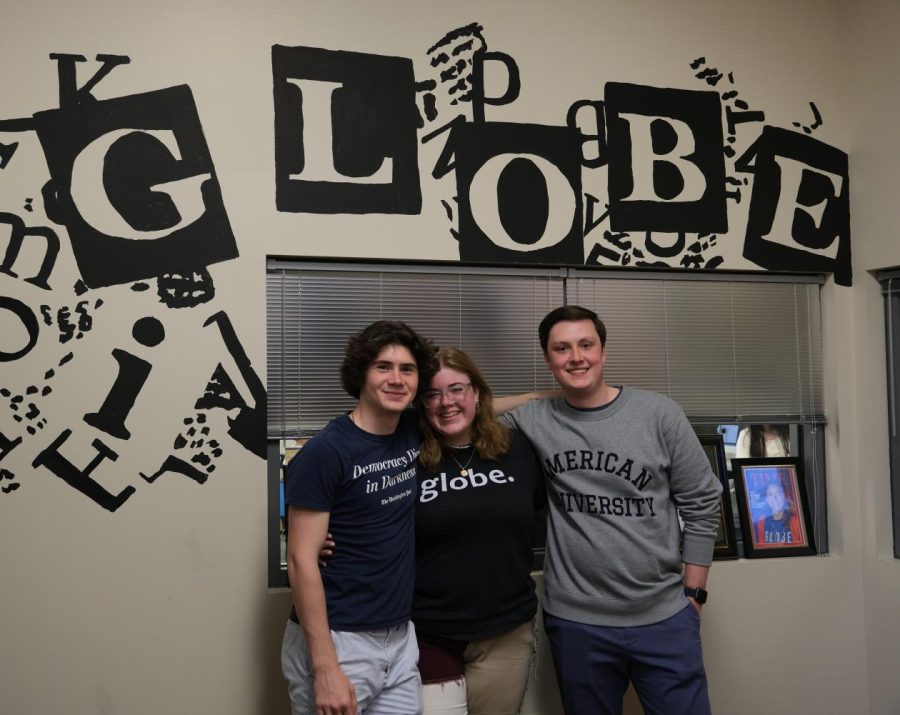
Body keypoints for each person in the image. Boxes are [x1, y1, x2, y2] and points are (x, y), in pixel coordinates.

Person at [502, 305, 723, 715]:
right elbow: (461, 411)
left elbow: (702, 502)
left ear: (604, 352)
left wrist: (694, 592)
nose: (576, 357)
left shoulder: (659, 414)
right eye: (562, 349)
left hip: (664, 615)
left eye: (586, 345)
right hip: (576, 621)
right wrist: (535, 395)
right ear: (548, 360)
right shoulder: (534, 418)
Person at [281, 320, 437, 715]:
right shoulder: (326, 452)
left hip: (400, 638)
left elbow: (472, 407)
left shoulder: (410, 431)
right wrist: (326, 668)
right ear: (361, 374)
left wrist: (548, 397)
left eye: (408, 369)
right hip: (339, 641)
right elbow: (302, 562)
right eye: (383, 367)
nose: (397, 379)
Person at [414, 347, 546, 715]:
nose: (446, 402)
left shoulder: (517, 448)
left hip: (506, 631)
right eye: (433, 394)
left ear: (477, 394)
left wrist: (537, 396)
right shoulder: (405, 454)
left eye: (457, 389)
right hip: (430, 632)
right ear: (420, 403)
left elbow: (536, 506)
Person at [756, 478, 803, 545]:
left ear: (784, 496)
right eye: (770, 494)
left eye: (778, 493)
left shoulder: (797, 521)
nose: (775, 498)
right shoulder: (761, 521)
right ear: (767, 499)